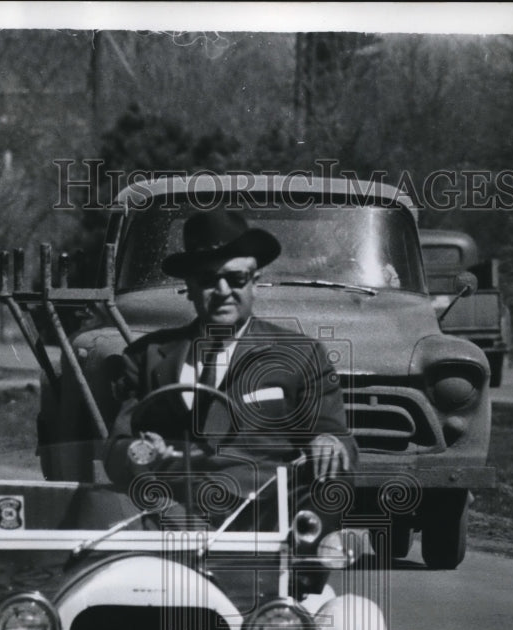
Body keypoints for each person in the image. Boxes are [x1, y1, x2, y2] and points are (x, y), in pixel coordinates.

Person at [104, 206, 357, 527]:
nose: (223, 291)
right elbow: (118, 448)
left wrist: (327, 442)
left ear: (255, 283)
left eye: (236, 278)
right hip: (173, 515)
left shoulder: (301, 355)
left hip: (265, 514)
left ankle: (297, 575)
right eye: (209, 279)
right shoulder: (146, 356)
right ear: (189, 288)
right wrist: (143, 452)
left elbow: (336, 436)